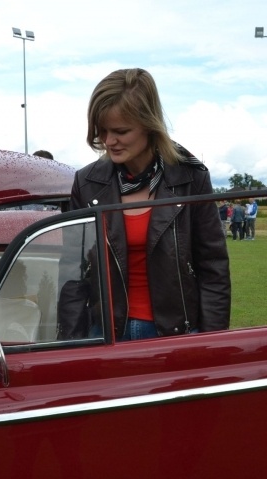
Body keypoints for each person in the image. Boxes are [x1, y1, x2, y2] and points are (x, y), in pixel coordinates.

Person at [67, 67, 230, 341]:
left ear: (149, 124)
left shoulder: (191, 177)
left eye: (120, 131)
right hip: (104, 336)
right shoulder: (86, 183)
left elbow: (213, 268)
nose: (109, 141)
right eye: (102, 130)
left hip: (174, 336)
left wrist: (211, 343)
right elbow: (72, 272)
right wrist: (69, 344)